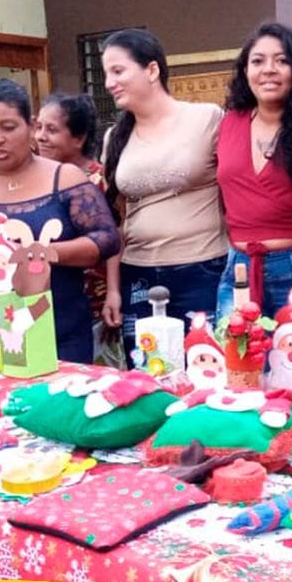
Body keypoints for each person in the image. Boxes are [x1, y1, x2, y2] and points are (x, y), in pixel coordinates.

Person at [0, 79, 120, 365]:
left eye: (8, 127)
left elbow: (106, 239)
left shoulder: (64, 178)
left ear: (31, 126)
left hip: (60, 333)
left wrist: (45, 253)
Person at [100, 29, 226, 355]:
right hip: (137, 273)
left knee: (204, 365)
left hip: (203, 269)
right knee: (147, 367)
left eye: (118, 71)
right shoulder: (114, 138)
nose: (109, 83)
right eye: (106, 74)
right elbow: (115, 220)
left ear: (152, 70)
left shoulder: (206, 118)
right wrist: (113, 289)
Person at [215, 23, 292, 320]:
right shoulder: (229, 122)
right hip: (239, 271)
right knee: (232, 351)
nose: (269, 70)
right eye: (258, 61)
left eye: (282, 60)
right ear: (245, 70)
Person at [34, 92, 120, 366]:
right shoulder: (36, 176)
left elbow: (115, 237)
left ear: (78, 138)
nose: (41, 137)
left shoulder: (97, 179)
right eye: (38, 127)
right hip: (49, 297)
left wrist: (113, 292)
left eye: (52, 130)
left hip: (94, 300)